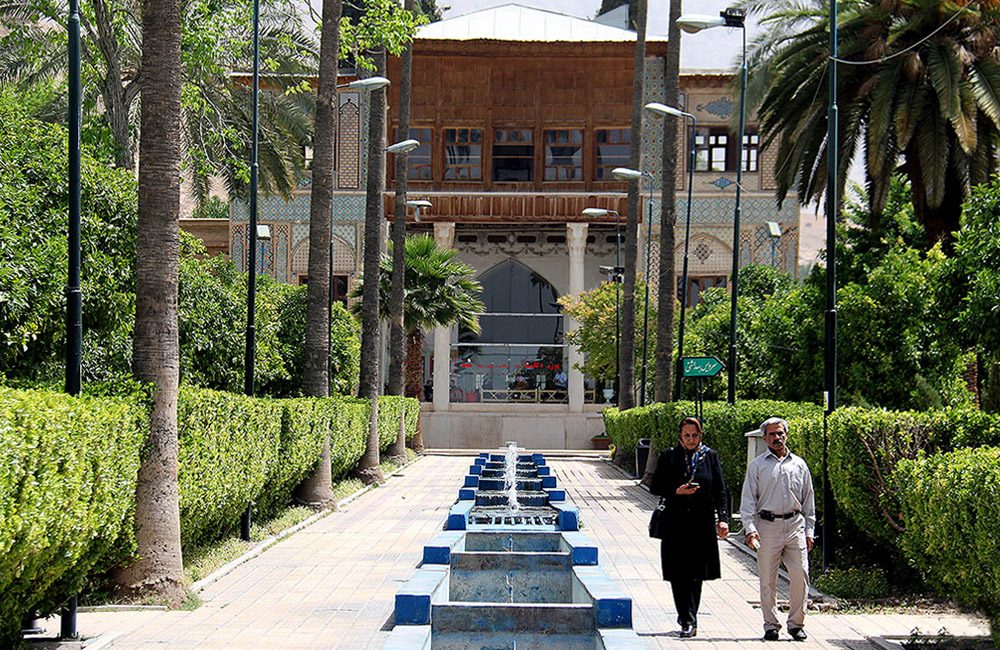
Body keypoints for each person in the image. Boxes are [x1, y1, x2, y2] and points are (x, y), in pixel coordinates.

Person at [650, 416, 729, 638]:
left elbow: (720, 490)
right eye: (687, 435)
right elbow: (655, 486)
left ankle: (691, 617)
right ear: (680, 436)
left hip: (701, 523)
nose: (691, 439)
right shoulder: (669, 456)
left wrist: (723, 519)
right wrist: (676, 491)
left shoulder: (710, 457)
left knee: (696, 573)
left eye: (695, 435)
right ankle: (685, 617)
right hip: (675, 523)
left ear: (700, 435)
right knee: (678, 573)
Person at [740, 417, 816, 642]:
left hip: (794, 526)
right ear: (764, 438)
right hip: (767, 527)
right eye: (772, 434)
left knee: (800, 575)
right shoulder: (757, 466)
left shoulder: (799, 465)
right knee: (767, 579)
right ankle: (771, 625)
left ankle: (796, 624)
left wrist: (810, 531)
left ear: (786, 435)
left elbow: (809, 500)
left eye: (780, 433)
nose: (777, 438)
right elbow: (748, 501)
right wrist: (750, 529)